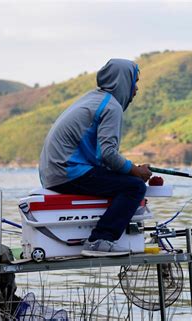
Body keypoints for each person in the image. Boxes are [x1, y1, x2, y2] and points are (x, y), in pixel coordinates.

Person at [39, 58, 152, 256]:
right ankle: (101, 240)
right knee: (135, 187)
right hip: (68, 172)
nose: (136, 89)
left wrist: (130, 169)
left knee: (127, 181)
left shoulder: (93, 99)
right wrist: (136, 171)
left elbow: (102, 156)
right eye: (135, 82)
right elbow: (108, 155)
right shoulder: (112, 107)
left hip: (54, 172)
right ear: (123, 81)